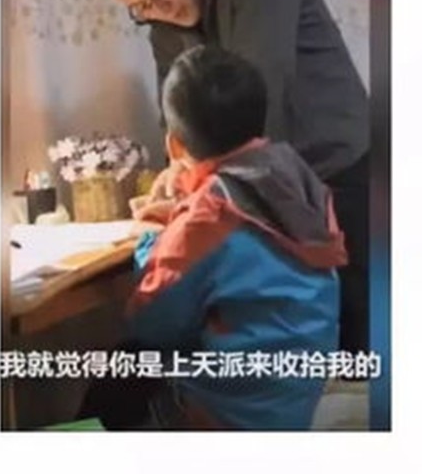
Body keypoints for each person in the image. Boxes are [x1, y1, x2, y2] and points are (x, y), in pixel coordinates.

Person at [83, 0, 369, 356]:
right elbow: (175, 115)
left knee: (353, 338)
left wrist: (189, 210)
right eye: (140, 7)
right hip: (259, 189)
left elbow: (256, 101)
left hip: (332, 168)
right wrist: (177, 174)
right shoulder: (163, 22)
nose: (159, 8)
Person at [80, 46, 347, 430]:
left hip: (226, 416)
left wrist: (155, 242)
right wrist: (180, 217)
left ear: (174, 145)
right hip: (292, 404)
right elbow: (244, 245)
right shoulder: (298, 181)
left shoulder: (206, 219)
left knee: (121, 371)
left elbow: (152, 322)